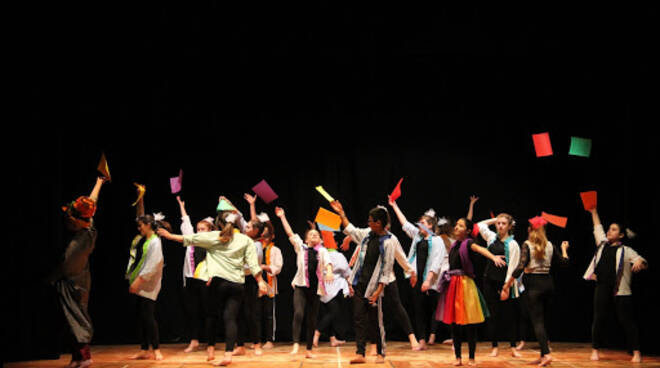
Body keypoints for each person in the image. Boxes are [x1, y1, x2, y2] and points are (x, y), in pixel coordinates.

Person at [158, 209, 268, 367]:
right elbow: (252, 263)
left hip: (218, 284)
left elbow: (188, 238)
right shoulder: (245, 240)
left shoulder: (215, 236)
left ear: (218, 225)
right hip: (237, 284)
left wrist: (168, 236)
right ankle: (228, 354)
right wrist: (260, 281)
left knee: (212, 316)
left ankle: (210, 350)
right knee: (231, 318)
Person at [48, 177, 106, 368]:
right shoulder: (89, 225)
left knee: (76, 316)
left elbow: (66, 267)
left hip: (74, 282)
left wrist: (51, 279)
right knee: (70, 318)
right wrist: (99, 183)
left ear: (80, 221)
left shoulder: (78, 244)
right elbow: (93, 202)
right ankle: (76, 357)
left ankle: (84, 356)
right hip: (78, 278)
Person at [330, 200, 397, 365]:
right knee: (359, 318)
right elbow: (351, 230)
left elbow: (387, 269)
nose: (368, 223)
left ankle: (381, 352)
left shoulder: (389, 242)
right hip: (360, 283)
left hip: (375, 287)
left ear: (378, 223)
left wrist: (378, 290)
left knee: (376, 321)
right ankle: (360, 352)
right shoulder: (367, 235)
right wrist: (341, 213)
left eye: (370, 221)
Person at [435, 218, 506, 366]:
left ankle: (472, 357)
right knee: (454, 323)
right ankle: (458, 357)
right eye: (456, 224)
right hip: (453, 284)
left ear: (467, 231)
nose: (456, 227)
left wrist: (493, 257)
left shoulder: (468, 243)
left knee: (470, 324)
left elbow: (480, 249)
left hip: (465, 285)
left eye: (460, 226)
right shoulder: (455, 244)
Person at [503, 216, 569, 367]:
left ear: (529, 230)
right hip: (548, 284)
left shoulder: (527, 244)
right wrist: (564, 249)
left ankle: (546, 354)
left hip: (534, 286)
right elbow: (564, 263)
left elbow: (520, 267)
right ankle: (542, 355)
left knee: (537, 322)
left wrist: (507, 285)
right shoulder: (550, 245)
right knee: (542, 321)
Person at [584, 206, 647, 363]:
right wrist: (594, 212)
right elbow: (597, 228)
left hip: (620, 289)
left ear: (620, 235)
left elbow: (642, 261)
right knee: (598, 319)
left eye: (613, 230)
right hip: (602, 287)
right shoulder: (602, 244)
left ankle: (636, 352)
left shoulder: (626, 250)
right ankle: (595, 350)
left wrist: (640, 261)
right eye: (609, 229)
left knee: (627, 321)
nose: (609, 231)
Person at [388, 198, 448, 351]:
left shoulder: (437, 241)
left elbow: (436, 262)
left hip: (431, 280)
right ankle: (421, 339)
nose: (419, 226)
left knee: (434, 308)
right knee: (418, 309)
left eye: (423, 223)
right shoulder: (418, 237)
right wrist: (394, 206)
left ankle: (436, 335)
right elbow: (405, 224)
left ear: (430, 226)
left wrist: (428, 280)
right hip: (416, 279)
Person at [274, 206, 333, 358]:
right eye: (311, 234)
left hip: (316, 289)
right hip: (300, 286)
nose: (314, 235)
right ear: (306, 239)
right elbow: (290, 233)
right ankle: (295, 345)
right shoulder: (301, 248)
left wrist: (330, 272)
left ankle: (308, 350)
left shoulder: (323, 251)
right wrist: (282, 217)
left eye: (316, 234)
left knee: (312, 319)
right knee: (299, 313)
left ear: (319, 239)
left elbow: (328, 263)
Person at [125, 184, 169, 361]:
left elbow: (154, 264)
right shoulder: (145, 238)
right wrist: (140, 198)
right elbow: (140, 217)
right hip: (139, 280)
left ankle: (156, 349)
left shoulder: (155, 242)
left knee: (148, 317)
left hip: (148, 284)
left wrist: (139, 281)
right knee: (141, 317)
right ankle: (144, 349)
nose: (138, 228)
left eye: (141, 226)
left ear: (148, 226)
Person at [175, 196, 216, 359]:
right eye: (198, 229)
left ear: (210, 231)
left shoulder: (212, 244)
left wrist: (212, 277)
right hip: (191, 279)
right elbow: (186, 224)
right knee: (192, 311)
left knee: (208, 312)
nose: (199, 231)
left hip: (205, 280)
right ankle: (194, 340)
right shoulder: (191, 240)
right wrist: (181, 206)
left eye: (203, 229)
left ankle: (210, 343)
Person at [476, 213, 521, 357]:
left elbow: (513, 268)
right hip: (489, 281)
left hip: (505, 283)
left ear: (509, 226)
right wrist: (495, 219)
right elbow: (480, 225)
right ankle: (494, 346)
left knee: (509, 315)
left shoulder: (513, 244)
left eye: (503, 223)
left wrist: (506, 288)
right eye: (498, 223)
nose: (500, 226)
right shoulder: (491, 238)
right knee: (492, 315)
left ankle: (513, 347)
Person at [314, 231, 351, 348]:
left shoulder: (319, 253)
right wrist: (350, 285)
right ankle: (317, 332)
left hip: (323, 286)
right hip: (334, 286)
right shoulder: (336, 255)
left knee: (328, 312)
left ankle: (332, 339)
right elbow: (346, 272)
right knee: (334, 312)